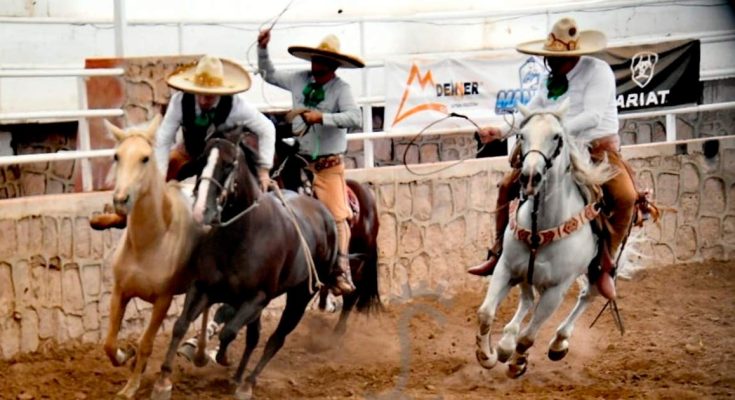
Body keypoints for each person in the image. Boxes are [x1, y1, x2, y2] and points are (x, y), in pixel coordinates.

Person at [467, 17, 652, 301]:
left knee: (625, 197)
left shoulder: (598, 71)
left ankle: (605, 265)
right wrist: (501, 131)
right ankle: (498, 253)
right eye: (549, 58)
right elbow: (531, 113)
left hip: (598, 151)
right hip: (556, 150)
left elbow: (593, 116)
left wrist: (554, 131)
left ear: (574, 55)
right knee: (507, 186)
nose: (550, 63)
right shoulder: (549, 80)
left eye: (556, 58)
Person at [90, 55, 276, 230]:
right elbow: (163, 139)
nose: (203, 100)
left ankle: (254, 220)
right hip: (189, 152)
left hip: (221, 158)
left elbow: (267, 128)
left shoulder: (237, 106)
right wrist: (160, 177)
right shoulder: (180, 101)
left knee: (245, 185)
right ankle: (123, 216)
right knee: (154, 173)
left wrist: (264, 170)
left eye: (209, 96)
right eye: (199, 94)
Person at [257, 30, 364, 296]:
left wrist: (324, 118)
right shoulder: (298, 79)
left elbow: (355, 117)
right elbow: (268, 74)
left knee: (338, 216)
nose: (316, 65)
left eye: (322, 61)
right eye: (315, 60)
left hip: (328, 168)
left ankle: (340, 270)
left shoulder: (342, 90)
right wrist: (262, 48)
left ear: (333, 66)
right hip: (299, 158)